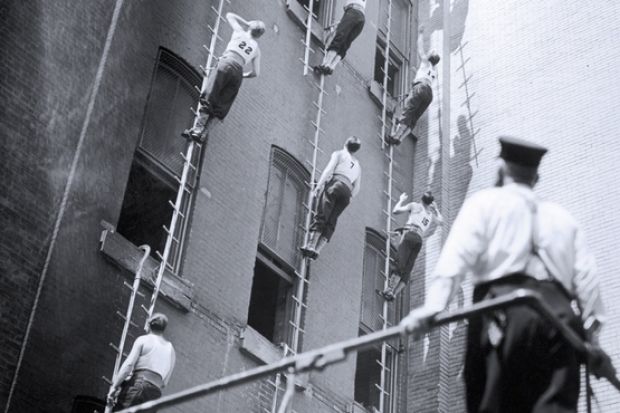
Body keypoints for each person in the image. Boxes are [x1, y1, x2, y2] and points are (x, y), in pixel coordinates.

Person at [400, 136, 606, 413]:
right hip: (559, 321)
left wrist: (432, 308)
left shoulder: (484, 204)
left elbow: (454, 260)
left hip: (503, 311)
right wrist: (591, 341)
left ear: (500, 170)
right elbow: (589, 283)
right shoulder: (563, 219)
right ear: (536, 179)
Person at [182, 13, 265, 142]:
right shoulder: (256, 50)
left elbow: (229, 15)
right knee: (222, 105)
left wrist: (246, 23)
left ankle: (198, 129)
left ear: (250, 27)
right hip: (238, 72)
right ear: (259, 36)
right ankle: (203, 134)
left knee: (210, 95)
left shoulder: (239, 32)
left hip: (226, 63)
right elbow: (256, 73)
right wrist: (242, 75)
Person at [300, 136, 362, 260]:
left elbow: (328, 170)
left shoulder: (339, 154)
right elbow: (357, 187)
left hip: (336, 184)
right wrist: (349, 198)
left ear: (345, 144)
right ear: (355, 150)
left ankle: (311, 245)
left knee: (323, 213)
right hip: (347, 192)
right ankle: (318, 249)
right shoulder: (357, 165)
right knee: (332, 219)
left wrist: (318, 187)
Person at [380, 191, 443, 301]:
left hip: (410, 235)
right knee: (408, 269)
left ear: (421, 199)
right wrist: (436, 209)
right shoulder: (430, 215)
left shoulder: (415, 206)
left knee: (400, 262)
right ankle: (394, 294)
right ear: (430, 203)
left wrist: (401, 200)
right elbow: (441, 222)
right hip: (419, 240)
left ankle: (389, 289)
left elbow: (395, 211)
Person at [107, 313, 176, 411]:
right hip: (154, 394)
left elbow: (128, 365)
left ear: (149, 325)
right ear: (164, 329)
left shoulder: (144, 340)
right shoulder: (171, 351)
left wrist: (114, 387)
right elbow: (165, 382)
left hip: (138, 386)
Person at [385, 27, 440, 146]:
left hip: (420, 88)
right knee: (414, 117)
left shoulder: (425, 61)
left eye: (430, 52)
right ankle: (400, 139)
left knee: (408, 111)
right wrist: (416, 73)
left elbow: (420, 48)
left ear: (430, 56)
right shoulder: (435, 70)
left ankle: (395, 135)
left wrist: (420, 34)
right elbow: (425, 78)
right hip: (429, 94)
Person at [314, 0, 366, 75]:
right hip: (361, 17)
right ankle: (331, 67)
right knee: (346, 43)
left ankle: (325, 64)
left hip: (353, 11)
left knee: (339, 37)